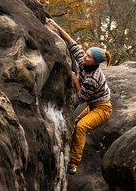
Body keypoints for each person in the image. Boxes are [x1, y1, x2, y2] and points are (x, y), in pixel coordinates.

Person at [47, 18, 112, 175]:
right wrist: (55, 25)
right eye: (87, 53)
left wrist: (76, 80)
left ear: (95, 62)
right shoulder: (84, 62)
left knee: (81, 127)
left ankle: (74, 163)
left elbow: (81, 97)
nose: (85, 57)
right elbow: (71, 42)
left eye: (89, 57)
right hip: (93, 104)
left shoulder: (93, 78)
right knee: (76, 123)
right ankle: (70, 150)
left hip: (102, 109)